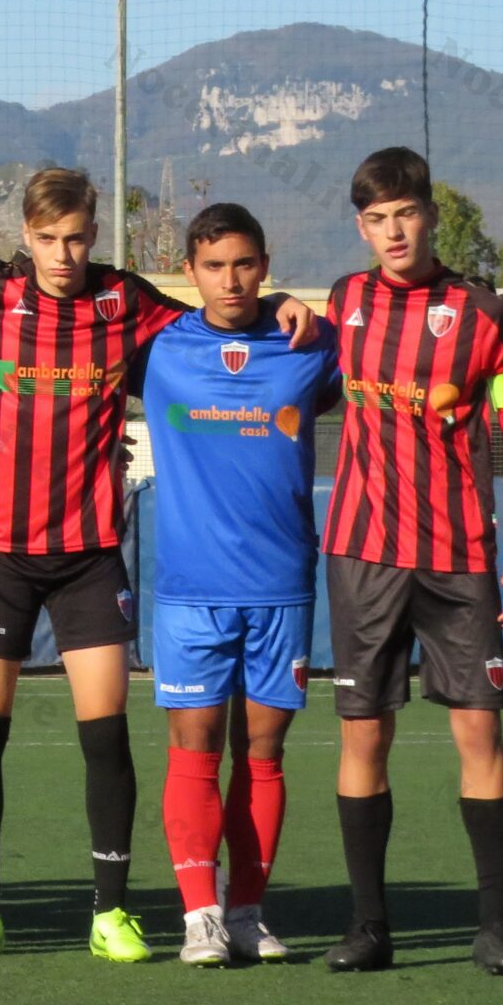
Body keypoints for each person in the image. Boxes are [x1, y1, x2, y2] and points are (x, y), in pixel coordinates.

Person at [0, 168, 314, 961]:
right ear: (26, 237)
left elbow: (217, 321)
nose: (64, 254)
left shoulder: (128, 304)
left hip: (87, 557)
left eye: (76, 238)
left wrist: (280, 307)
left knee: (104, 736)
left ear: (94, 233)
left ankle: (110, 912)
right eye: (47, 240)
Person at [321, 148, 503, 975]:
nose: (392, 231)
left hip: (459, 555)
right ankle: (369, 930)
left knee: (478, 730)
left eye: (404, 214)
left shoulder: (483, 313)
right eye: (376, 220)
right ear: (361, 228)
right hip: (362, 552)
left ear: (431, 214)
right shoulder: (342, 302)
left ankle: (497, 929)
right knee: (363, 736)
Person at [136, 203, 341, 965]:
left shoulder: (309, 347)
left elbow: (384, 357)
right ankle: (201, 917)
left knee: (263, 755)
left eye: (246, 264)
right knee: (192, 750)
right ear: (188, 272)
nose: (231, 280)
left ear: (266, 264)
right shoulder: (156, 346)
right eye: (214, 266)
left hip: (283, 584)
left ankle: (249, 910)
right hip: (191, 589)